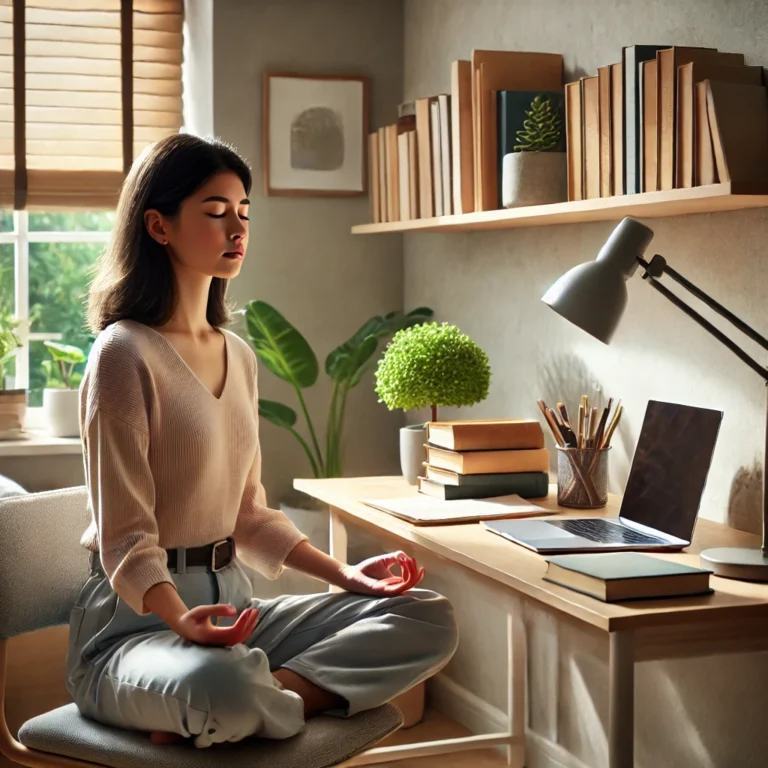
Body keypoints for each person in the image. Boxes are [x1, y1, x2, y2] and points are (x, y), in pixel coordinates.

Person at [64, 134, 459, 749]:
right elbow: (125, 537)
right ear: (158, 225)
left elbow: (248, 514)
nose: (237, 228)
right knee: (226, 684)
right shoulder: (123, 353)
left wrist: (346, 575)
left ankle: (246, 701)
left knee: (427, 615)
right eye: (216, 212)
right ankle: (226, 702)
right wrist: (179, 619)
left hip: (236, 618)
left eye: (244, 213)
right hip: (134, 631)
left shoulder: (240, 357)